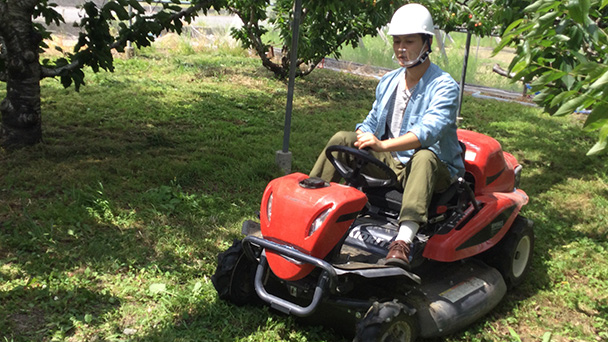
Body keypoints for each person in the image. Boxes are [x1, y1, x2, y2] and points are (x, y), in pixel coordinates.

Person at [309, 3, 465, 269]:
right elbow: (369, 122)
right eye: (397, 42)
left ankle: (403, 241)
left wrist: (381, 144)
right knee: (342, 139)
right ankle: (310, 204)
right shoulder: (389, 81)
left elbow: (428, 132)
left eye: (409, 41)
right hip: (393, 162)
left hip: (435, 168)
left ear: (427, 43)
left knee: (424, 156)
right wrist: (363, 135)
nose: (401, 49)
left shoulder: (444, 86)